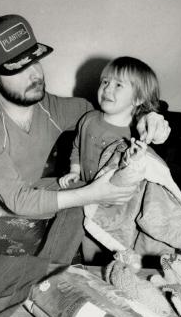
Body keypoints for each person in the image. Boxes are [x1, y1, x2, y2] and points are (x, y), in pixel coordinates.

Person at [0, 15, 170, 263]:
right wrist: (92, 193)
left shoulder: (53, 107)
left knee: (103, 201)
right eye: (18, 68)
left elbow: (110, 113)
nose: (35, 75)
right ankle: (7, 273)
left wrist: (148, 115)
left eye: (35, 61)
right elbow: (17, 199)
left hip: (35, 188)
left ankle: (56, 269)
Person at [59, 56, 161, 262]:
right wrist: (74, 170)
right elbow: (77, 147)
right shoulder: (88, 119)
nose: (107, 89)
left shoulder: (134, 134)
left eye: (118, 85)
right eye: (104, 82)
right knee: (87, 243)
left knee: (112, 246)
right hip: (86, 191)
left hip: (115, 202)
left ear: (138, 98)